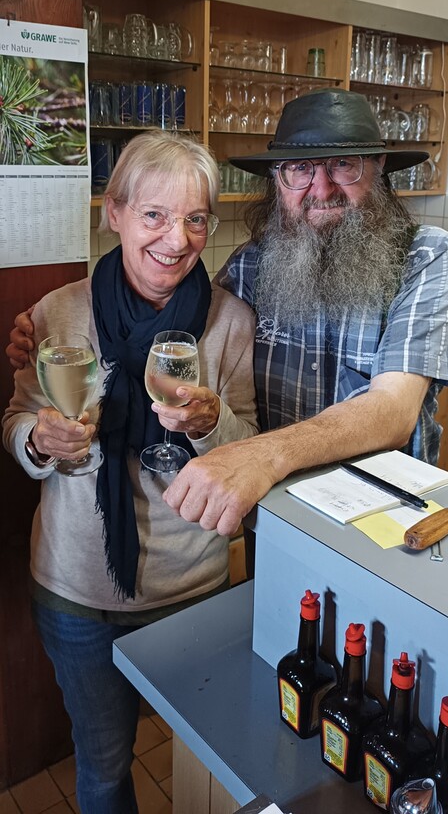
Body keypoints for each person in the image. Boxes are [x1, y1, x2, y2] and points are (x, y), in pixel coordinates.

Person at [3, 129, 258, 814]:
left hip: (192, 591)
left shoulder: (230, 322)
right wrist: (40, 440)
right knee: (105, 767)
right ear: (113, 212)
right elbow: (17, 419)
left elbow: (249, 446)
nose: (177, 239)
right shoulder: (57, 311)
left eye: (196, 219)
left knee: (211, 763)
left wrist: (209, 426)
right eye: (154, 214)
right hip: (78, 590)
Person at [157, 87, 448, 536]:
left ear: (378, 167)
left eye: (343, 164)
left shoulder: (426, 257)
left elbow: (392, 411)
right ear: (277, 179)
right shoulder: (249, 267)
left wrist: (262, 455)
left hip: (385, 526)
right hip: (274, 518)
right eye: (299, 168)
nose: (322, 188)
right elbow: (186, 342)